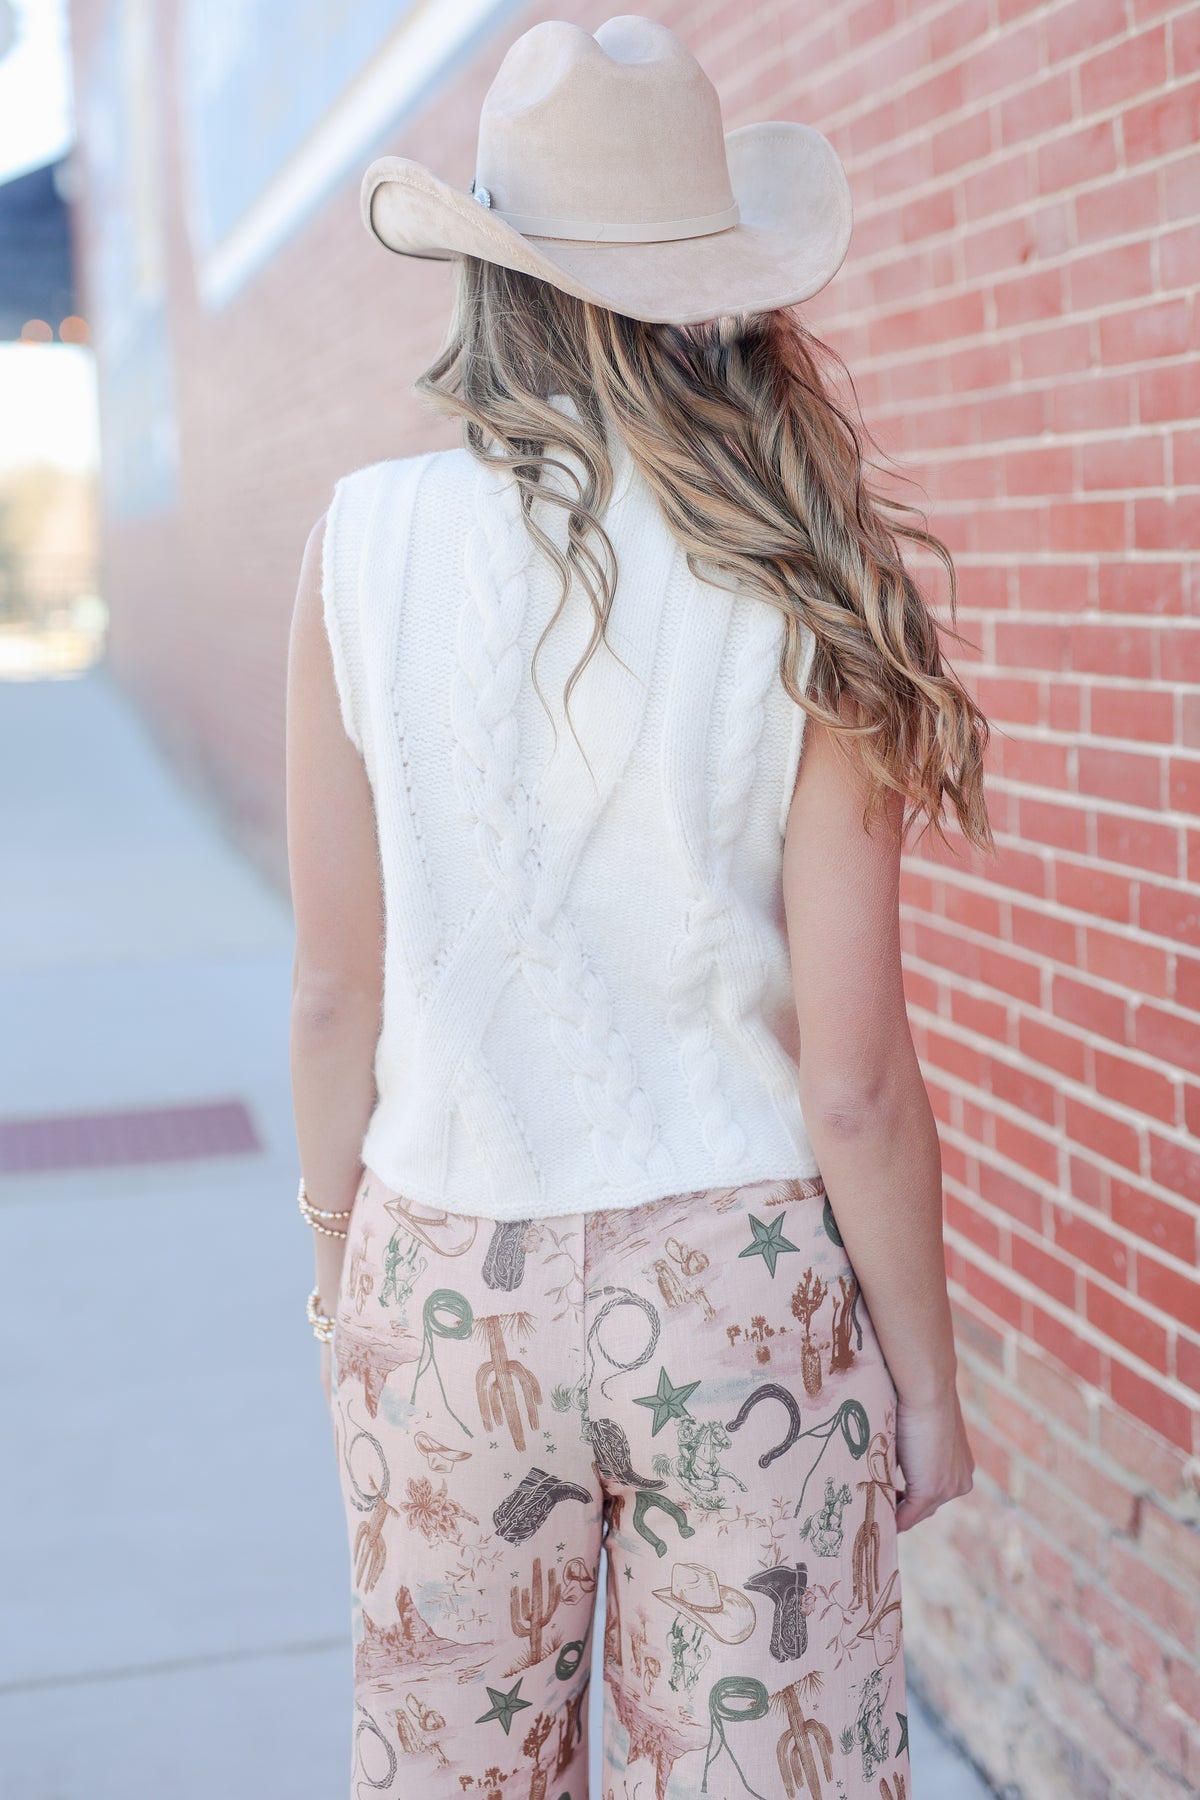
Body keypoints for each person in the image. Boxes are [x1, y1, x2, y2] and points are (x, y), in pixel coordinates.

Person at [285, 17, 987, 1799]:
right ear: (712, 288)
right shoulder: (801, 568)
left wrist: (336, 1270)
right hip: (739, 1290)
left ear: (495, 276)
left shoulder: (360, 546)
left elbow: (329, 996)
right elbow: (855, 1082)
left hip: (446, 1279)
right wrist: (927, 1381)